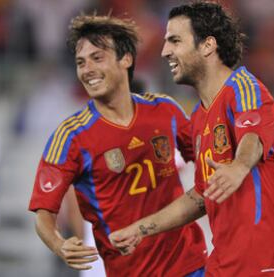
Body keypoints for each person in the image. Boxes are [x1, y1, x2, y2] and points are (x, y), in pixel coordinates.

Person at [109, 2, 274, 276]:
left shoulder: (243, 89)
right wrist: (143, 228)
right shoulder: (198, 117)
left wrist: (239, 166)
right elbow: (201, 195)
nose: (164, 51)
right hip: (224, 266)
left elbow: (253, 138)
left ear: (208, 45)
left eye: (174, 40)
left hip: (272, 263)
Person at [28, 14, 207, 277]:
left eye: (97, 58)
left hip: (189, 265)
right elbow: (44, 213)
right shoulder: (70, 136)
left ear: (126, 59)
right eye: (81, 62)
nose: (87, 69)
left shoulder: (165, 110)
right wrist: (59, 244)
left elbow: (207, 160)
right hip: (128, 270)